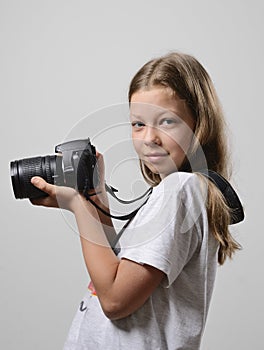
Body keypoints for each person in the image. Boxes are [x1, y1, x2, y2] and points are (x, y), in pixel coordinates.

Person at [30, 52, 242, 349]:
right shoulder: (175, 192)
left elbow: (115, 299)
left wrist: (80, 208)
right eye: (138, 124)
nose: (149, 138)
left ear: (199, 123)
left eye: (167, 121)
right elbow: (118, 274)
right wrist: (96, 199)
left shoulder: (180, 190)